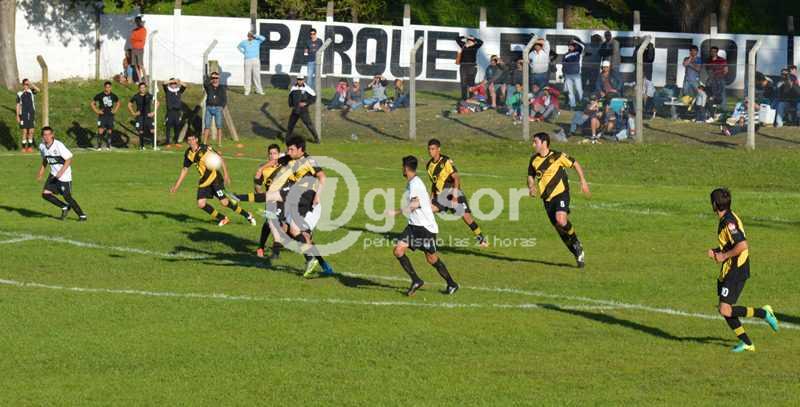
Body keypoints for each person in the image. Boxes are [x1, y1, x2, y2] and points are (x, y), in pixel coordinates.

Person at [706, 188, 779, 353]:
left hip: (736, 268)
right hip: (730, 267)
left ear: (715, 204)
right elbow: (731, 244)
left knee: (725, 309)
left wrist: (723, 256)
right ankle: (747, 343)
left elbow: (742, 245)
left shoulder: (728, 222)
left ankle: (764, 313)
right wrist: (717, 251)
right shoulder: (728, 217)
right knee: (725, 308)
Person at [387, 155, 459, 296]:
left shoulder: (415, 183)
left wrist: (396, 212)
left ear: (406, 168)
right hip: (413, 226)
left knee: (431, 259)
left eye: (402, 167)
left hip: (425, 228)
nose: (402, 169)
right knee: (398, 250)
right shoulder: (412, 182)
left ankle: (452, 284)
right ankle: (416, 280)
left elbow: (415, 204)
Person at [264, 137, 332, 277]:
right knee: (289, 231)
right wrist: (262, 168)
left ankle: (319, 263)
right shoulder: (289, 157)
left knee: (302, 234)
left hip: (311, 203)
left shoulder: (309, 161)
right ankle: (317, 262)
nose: (288, 152)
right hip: (296, 201)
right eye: (288, 149)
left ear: (300, 149)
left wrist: (318, 195)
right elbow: (276, 160)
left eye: (291, 149)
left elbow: (322, 177)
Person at [527, 132, 589, 267]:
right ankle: (577, 253)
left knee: (561, 220)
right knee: (559, 229)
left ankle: (576, 242)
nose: (533, 145)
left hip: (561, 194)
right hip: (547, 199)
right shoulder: (534, 160)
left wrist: (583, 180)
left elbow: (575, 163)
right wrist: (531, 186)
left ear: (544, 143)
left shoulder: (558, 156)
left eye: (535, 142)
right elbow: (530, 175)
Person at [169, 133, 256, 227]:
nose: (191, 142)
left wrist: (226, 174)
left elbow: (220, 158)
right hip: (204, 181)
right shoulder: (188, 153)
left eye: (192, 139)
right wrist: (176, 186)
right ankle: (223, 218)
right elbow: (185, 169)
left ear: (196, 139)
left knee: (224, 202)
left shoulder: (205, 148)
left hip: (215, 178)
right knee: (201, 204)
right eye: (189, 140)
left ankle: (247, 215)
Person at [426, 139, 488, 247]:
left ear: (438, 149)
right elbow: (434, 184)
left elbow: (456, 178)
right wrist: (431, 199)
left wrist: (455, 197)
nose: (430, 151)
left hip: (453, 193)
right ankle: (428, 239)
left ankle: (481, 239)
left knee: (466, 217)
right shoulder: (429, 166)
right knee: (427, 212)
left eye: (433, 149)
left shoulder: (446, 161)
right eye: (429, 149)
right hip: (441, 196)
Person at [231, 144, 283, 258]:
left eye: (275, 153)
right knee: (271, 222)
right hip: (271, 200)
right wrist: (258, 184)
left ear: (279, 154)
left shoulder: (284, 164)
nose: (272, 156)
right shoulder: (264, 169)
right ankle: (271, 251)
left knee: (279, 224)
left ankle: (270, 247)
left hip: (285, 198)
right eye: (270, 154)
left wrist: (261, 168)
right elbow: (258, 188)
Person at [37, 126, 86, 221]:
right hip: (53, 174)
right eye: (45, 135)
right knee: (45, 194)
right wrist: (41, 172)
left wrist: (60, 172)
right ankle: (64, 207)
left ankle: (82, 215)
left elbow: (69, 159)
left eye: (49, 134)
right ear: (42, 136)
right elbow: (45, 159)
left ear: (52, 135)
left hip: (64, 175)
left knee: (67, 197)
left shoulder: (58, 145)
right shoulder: (42, 146)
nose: (47, 137)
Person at [286, 75, 320, 143]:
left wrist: (306, 103)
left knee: (309, 125)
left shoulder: (307, 88)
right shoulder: (293, 88)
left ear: (303, 80)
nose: (300, 81)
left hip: (303, 110)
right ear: (297, 80)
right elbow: (290, 97)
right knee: (290, 125)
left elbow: (314, 97)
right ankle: (287, 140)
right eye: (298, 79)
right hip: (295, 110)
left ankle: (316, 139)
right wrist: (291, 105)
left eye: (301, 80)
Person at [91, 81, 120, 150]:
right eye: (106, 87)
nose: (108, 88)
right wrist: (97, 111)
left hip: (110, 115)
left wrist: (115, 110)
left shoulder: (113, 95)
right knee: (100, 129)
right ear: (104, 87)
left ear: (111, 87)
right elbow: (92, 103)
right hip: (102, 115)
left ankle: (108, 146)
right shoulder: (100, 95)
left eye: (109, 87)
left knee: (110, 130)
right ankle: (99, 146)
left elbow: (118, 103)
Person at [128, 82, 155, 150]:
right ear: (139, 89)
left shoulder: (149, 95)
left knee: (152, 130)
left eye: (144, 88)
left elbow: (157, 103)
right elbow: (129, 105)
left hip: (148, 116)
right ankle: (142, 146)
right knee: (141, 131)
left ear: (145, 88)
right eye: (141, 88)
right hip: (140, 116)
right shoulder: (136, 96)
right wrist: (134, 113)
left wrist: (153, 112)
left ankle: (154, 146)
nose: (142, 89)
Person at [203, 71, 227, 146]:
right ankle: (204, 143)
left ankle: (219, 143)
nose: (215, 79)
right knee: (207, 126)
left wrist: (222, 107)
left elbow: (224, 99)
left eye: (216, 78)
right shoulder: (209, 86)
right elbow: (205, 84)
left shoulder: (222, 87)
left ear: (219, 78)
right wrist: (210, 78)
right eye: (213, 78)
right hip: (209, 108)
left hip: (218, 108)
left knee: (219, 126)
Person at [238, 31, 266, 96]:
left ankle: (259, 90)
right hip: (247, 60)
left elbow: (263, 38)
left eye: (251, 35)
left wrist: (255, 36)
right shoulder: (244, 42)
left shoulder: (257, 41)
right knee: (247, 76)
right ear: (247, 36)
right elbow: (238, 46)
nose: (250, 36)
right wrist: (243, 52)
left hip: (256, 59)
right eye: (249, 35)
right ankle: (247, 91)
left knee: (257, 75)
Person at [456, 35, 483, 100]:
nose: (468, 41)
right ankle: (464, 98)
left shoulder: (475, 46)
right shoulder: (463, 45)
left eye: (470, 41)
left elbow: (481, 42)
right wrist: (465, 37)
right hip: (463, 65)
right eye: (468, 40)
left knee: (471, 82)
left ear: (473, 42)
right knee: (463, 82)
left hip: (472, 66)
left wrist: (473, 38)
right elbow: (457, 39)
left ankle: (471, 97)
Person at [16, 78, 39, 153]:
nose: (26, 86)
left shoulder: (31, 92)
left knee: (31, 131)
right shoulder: (19, 93)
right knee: (24, 131)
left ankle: (29, 147)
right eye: (25, 84)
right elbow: (18, 105)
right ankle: (23, 147)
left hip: (31, 113)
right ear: (23, 85)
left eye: (27, 84)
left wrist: (31, 83)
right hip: (23, 114)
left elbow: (38, 90)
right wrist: (17, 115)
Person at [162, 78, 186, 146]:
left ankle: (176, 142)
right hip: (170, 112)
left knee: (177, 127)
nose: (173, 84)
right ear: (170, 84)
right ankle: (167, 142)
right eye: (172, 83)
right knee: (168, 127)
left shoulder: (179, 90)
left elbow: (185, 85)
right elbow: (164, 83)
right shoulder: (167, 90)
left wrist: (179, 81)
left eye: (175, 83)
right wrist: (172, 81)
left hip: (177, 112)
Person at [562, 39, 584, 110]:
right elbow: (563, 65)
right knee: (570, 92)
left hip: (576, 74)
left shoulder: (578, 52)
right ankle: (572, 105)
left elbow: (582, 46)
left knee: (579, 90)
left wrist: (575, 41)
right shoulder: (565, 55)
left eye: (572, 46)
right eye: (569, 46)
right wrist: (564, 74)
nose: (571, 47)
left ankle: (582, 104)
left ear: (575, 46)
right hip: (568, 75)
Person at [706, 46, 729, 111]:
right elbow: (708, 70)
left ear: (717, 52)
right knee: (711, 93)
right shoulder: (708, 60)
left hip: (720, 79)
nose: (713, 53)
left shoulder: (722, 60)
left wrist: (720, 75)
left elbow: (726, 70)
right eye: (711, 51)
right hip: (712, 79)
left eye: (714, 51)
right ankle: (711, 109)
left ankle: (723, 109)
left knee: (722, 93)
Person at [129, 15, 147, 80]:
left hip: (140, 49)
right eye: (136, 22)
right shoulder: (134, 30)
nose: (137, 23)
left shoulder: (143, 30)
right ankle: (140, 80)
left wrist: (135, 39)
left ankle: (146, 80)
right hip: (134, 48)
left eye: (138, 22)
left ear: (141, 22)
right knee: (136, 66)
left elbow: (141, 38)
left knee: (141, 65)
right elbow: (131, 39)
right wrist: (135, 39)